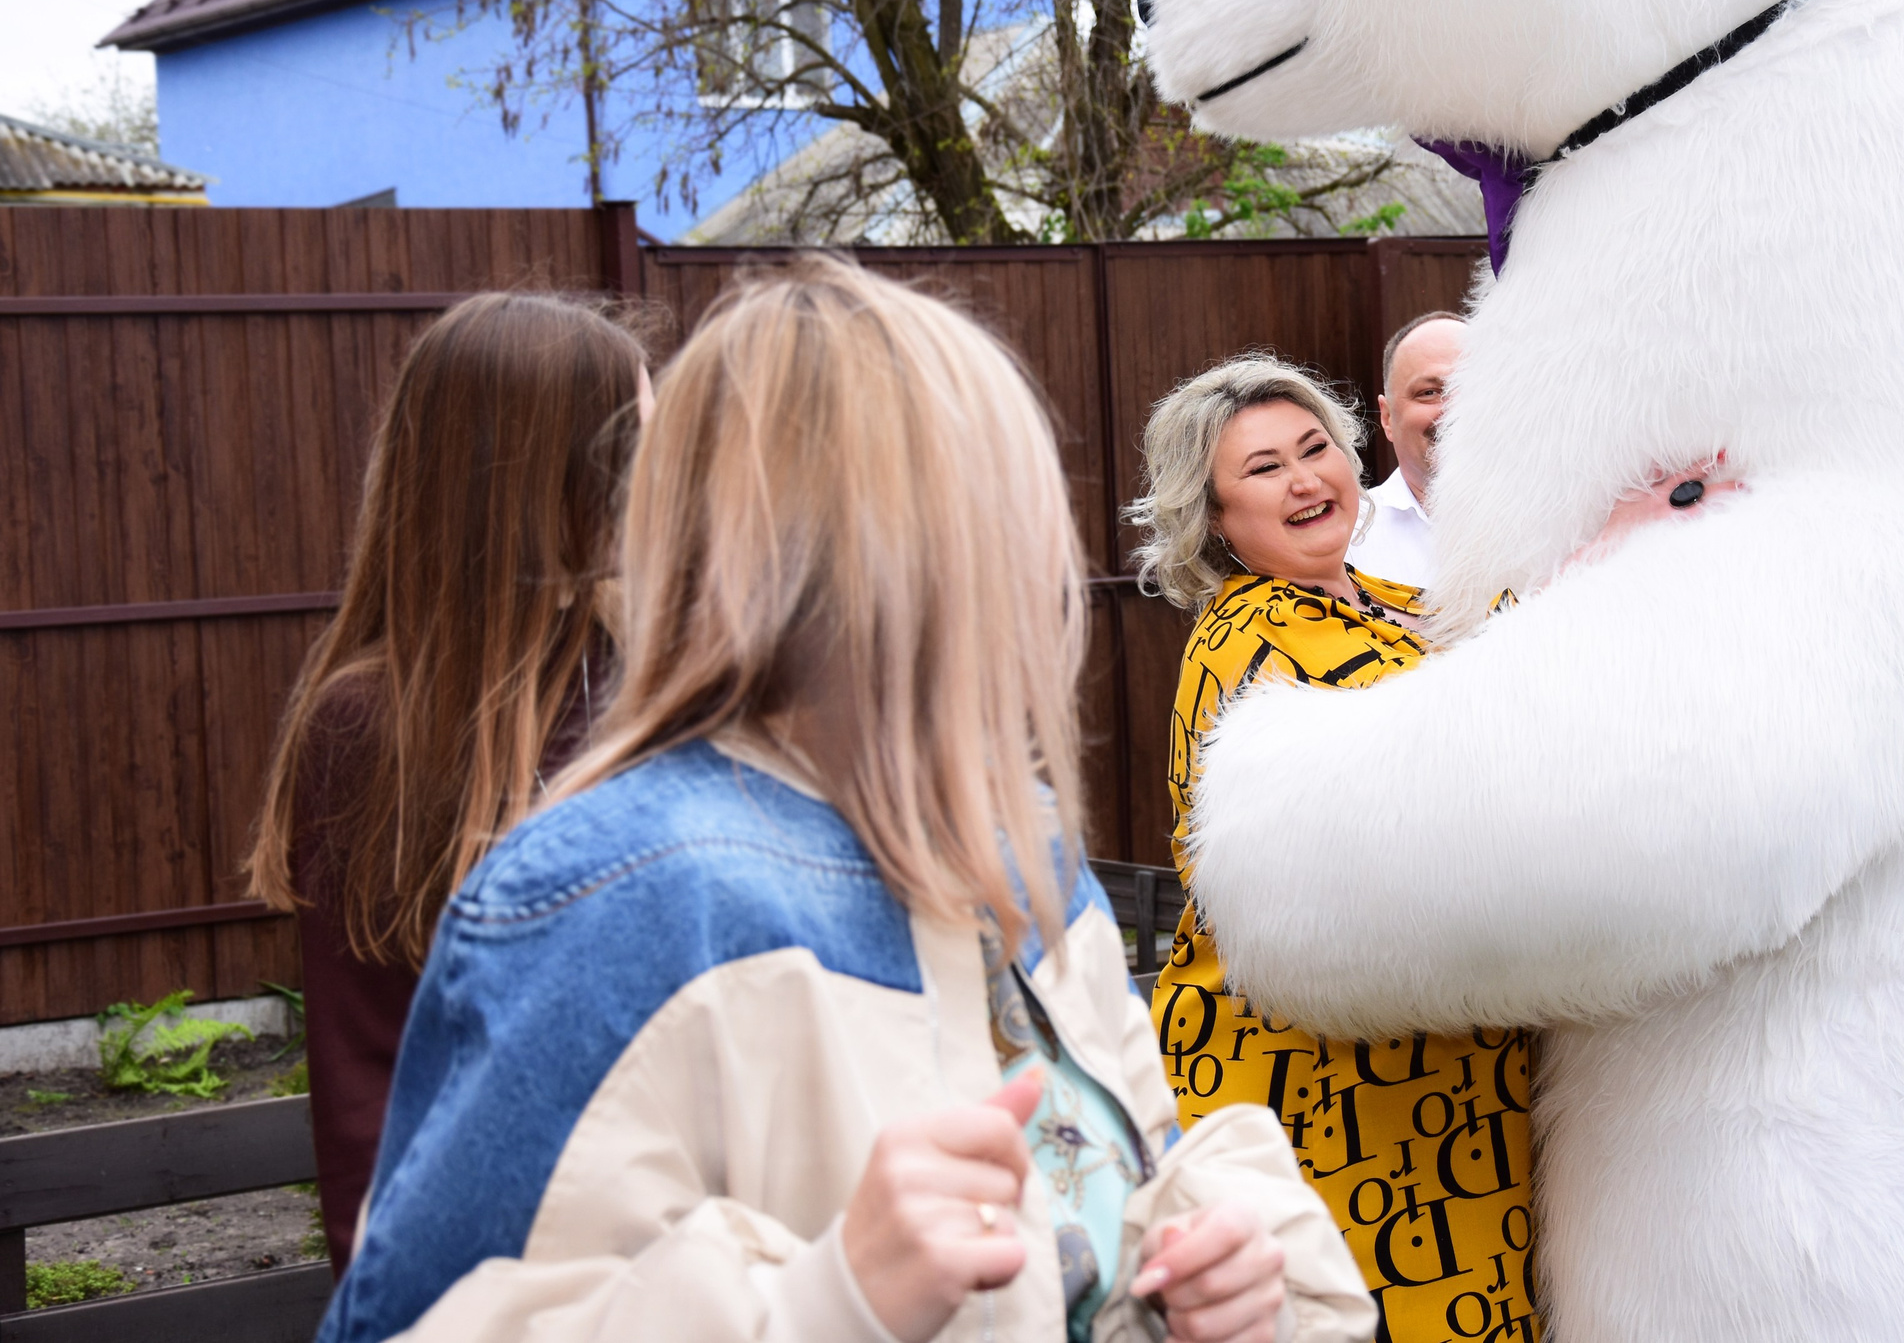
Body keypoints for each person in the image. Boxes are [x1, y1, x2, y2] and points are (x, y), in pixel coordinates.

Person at [313, 259, 1371, 1343]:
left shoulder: (1019, 850)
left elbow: (1128, 1166)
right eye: (988, 506)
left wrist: (1223, 1275)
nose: (1037, 563)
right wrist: (834, 1302)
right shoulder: (618, 901)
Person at [1124, 353, 1540, 1343]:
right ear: (1216, 519)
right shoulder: (1258, 631)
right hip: (1322, 1094)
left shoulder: (1388, 594)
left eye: (1316, 449)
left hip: (1443, 1080)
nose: (1308, 480)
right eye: (1265, 470)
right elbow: (1454, 765)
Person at [245, 292, 651, 1273]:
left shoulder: (647, 679)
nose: (666, 483)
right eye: (642, 447)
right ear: (538, 479)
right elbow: (366, 1094)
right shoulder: (370, 724)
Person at [1344, 312, 1464, 591]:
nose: (1456, 410)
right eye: (1429, 392)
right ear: (1387, 418)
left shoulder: (1560, 522)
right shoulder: (1347, 539)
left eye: (1472, 388)